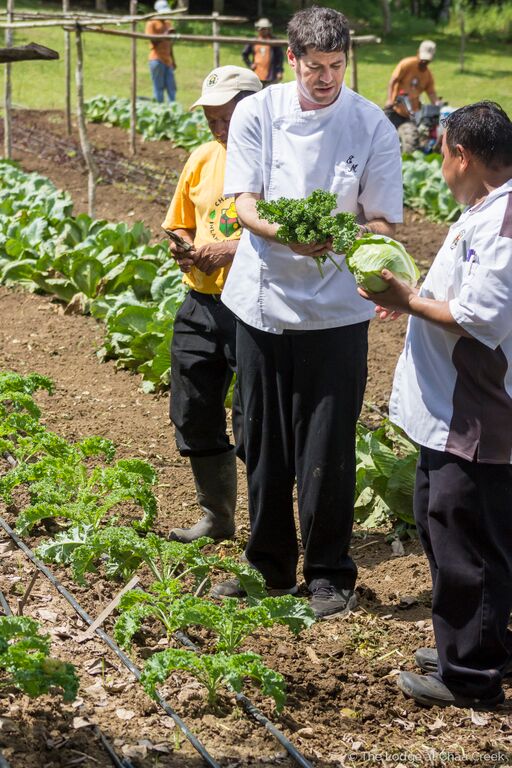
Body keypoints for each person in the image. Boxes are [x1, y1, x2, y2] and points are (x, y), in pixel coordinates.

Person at [213, 6, 403, 618]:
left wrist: (358, 245)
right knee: (262, 440)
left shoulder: (370, 124)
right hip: (263, 303)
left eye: (336, 66)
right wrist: (282, 233)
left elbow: (382, 219)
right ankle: (267, 565)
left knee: (329, 444)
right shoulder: (257, 112)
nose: (326, 78)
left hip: (337, 310)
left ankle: (328, 573)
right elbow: (243, 203)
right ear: (289, 59)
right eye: (315, 67)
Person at [360, 101, 512, 709]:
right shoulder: (484, 211)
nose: (439, 163)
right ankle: (477, 639)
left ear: (462, 156)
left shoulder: (501, 222)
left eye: (441, 151)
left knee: (466, 540)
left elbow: (481, 317)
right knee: (438, 519)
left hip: (473, 413)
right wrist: (417, 298)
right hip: (448, 409)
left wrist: (407, 296)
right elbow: (463, 296)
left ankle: (471, 676)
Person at [162, 66, 262, 544]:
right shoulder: (201, 158)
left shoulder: (275, 163)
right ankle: (217, 518)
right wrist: (181, 243)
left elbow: (288, 238)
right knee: (192, 406)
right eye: (212, 119)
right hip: (201, 301)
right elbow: (179, 221)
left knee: (254, 420)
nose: (219, 127)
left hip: (254, 307)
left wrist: (229, 251)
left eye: (227, 117)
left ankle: (268, 529)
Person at [384, 40, 439, 128]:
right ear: (418, 53)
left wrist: (438, 105)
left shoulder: (428, 75)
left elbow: (431, 94)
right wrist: (389, 99)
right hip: (395, 109)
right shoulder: (406, 64)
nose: (424, 62)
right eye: (423, 59)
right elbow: (393, 81)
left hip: (412, 115)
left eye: (427, 60)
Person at [145, 0, 177, 103]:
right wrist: (165, 33)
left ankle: (172, 108)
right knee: (158, 87)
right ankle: (159, 108)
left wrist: (173, 60)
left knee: (171, 87)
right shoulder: (152, 23)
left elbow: (170, 44)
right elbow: (152, 40)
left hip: (168, 60)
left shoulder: (168, 23)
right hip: (156, 59)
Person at [242, 18, 284, 86]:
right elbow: (244, 54)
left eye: (266, 29)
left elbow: (280, 57)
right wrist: (250, 64)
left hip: (271, 76)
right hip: (257, 75)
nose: (264, 31)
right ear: (258, 29)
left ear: (269, 29)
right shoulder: (254, 41)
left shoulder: (274, 41)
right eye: (262, 29)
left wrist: (279, 71)